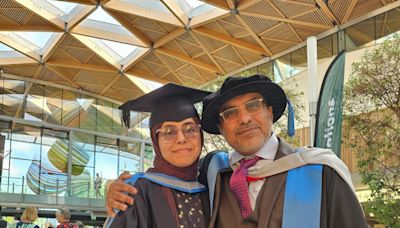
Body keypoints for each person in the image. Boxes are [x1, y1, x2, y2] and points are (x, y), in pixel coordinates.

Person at [106, 75, 368, 227]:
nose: (243, 119)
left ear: (270, 112)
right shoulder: (215, 172)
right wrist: (115, 193)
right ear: (220, 126)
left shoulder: (320, 173)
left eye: (253, 106)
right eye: (230, 112)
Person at [105, 83, 211, 227]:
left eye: (190, 128)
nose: (181, 138)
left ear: (200, 134)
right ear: (156, 141)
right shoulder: (135, 191)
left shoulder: (212, 183)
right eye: (169, 132)